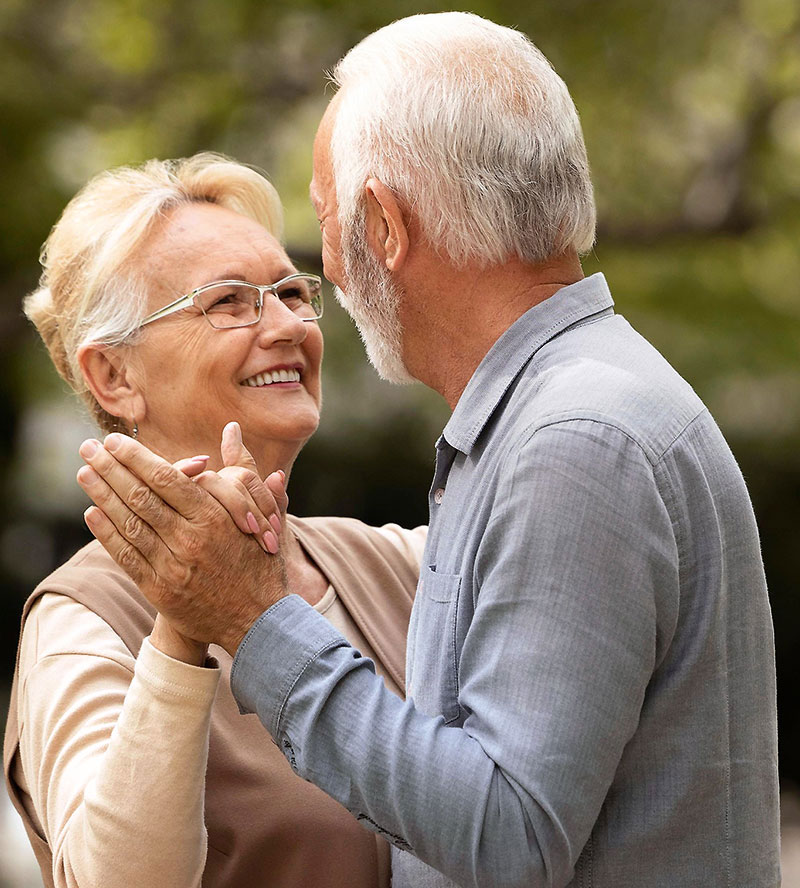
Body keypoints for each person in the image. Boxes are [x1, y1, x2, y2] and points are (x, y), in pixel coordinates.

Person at [78, 12, 780, 888]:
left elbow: (508, 837)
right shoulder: (572, 411)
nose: (326, 276)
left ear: (384, 226)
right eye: (228, 302)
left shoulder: (573, 441)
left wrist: (257, 623)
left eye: (327, 226)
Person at [3, 153, 426, 888]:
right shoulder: (82, 620)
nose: (289, 325)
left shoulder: (393, 562)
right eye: (229, 302)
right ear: (114, 376)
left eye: (291, 292)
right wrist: (182, 626)